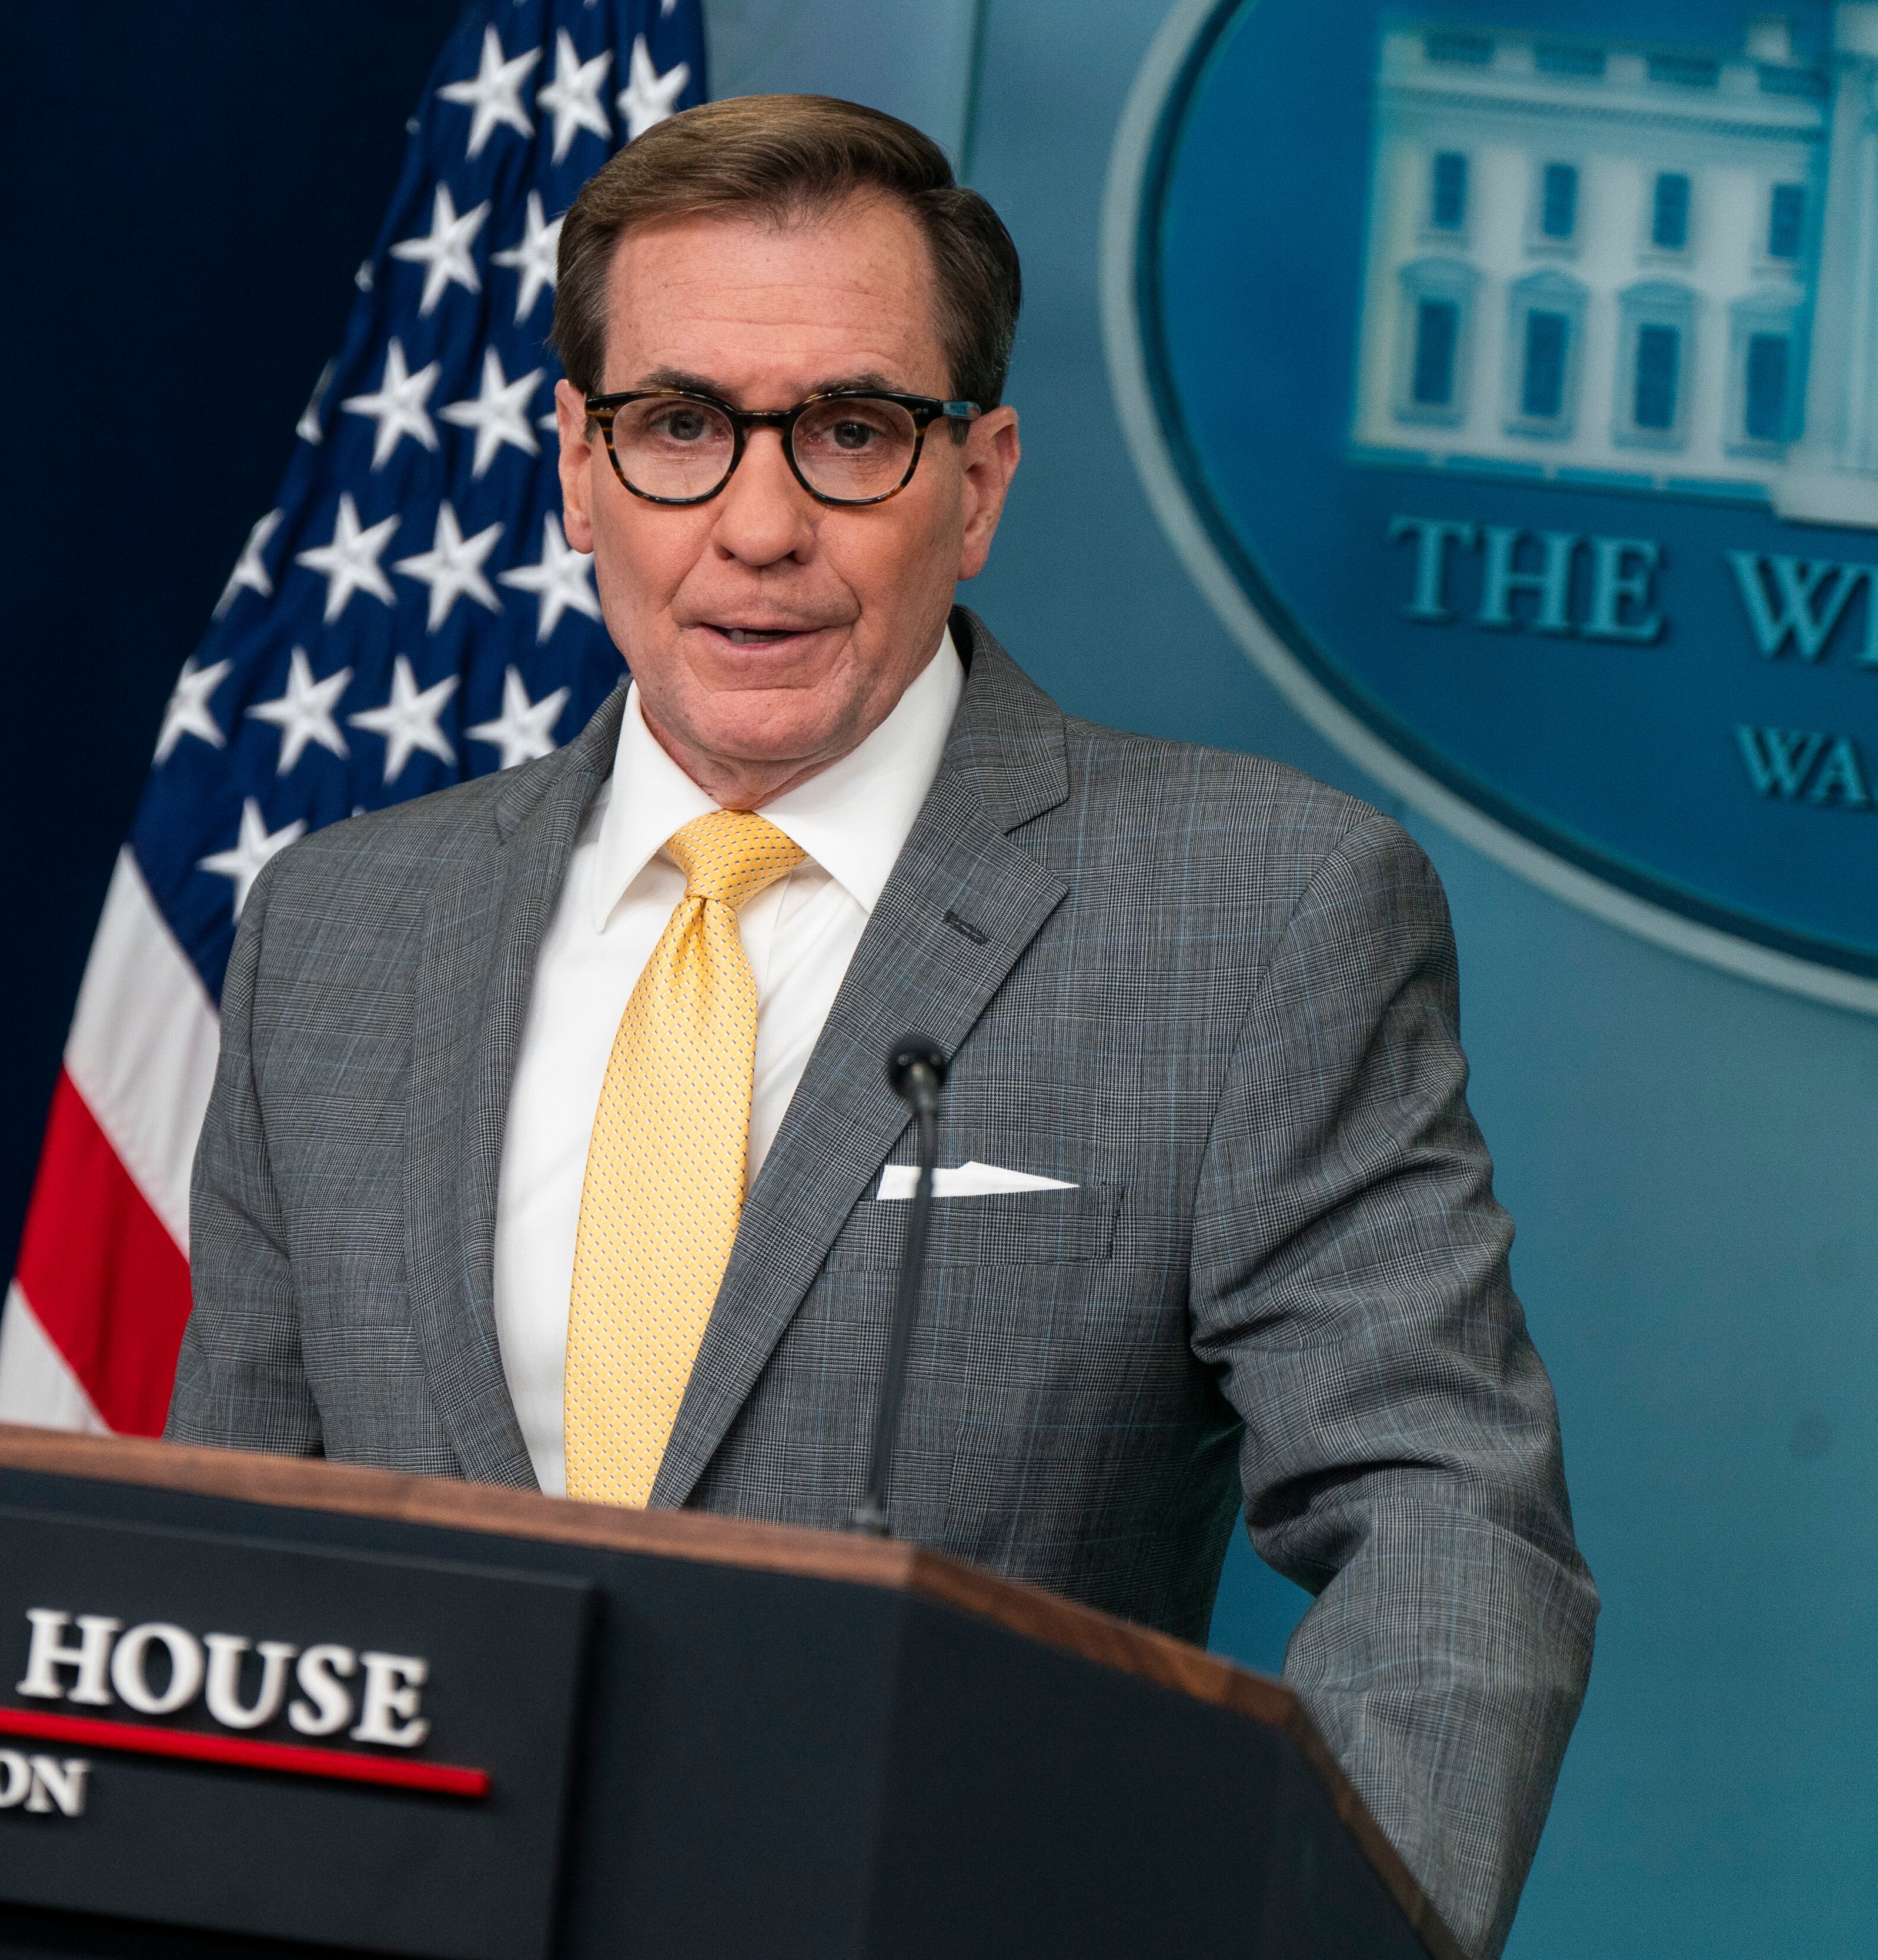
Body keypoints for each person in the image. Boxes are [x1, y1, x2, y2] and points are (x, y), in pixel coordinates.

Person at [165, 94, 1592, 1958]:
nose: (760, 527)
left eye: (852, 432)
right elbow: (236, 1557)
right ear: (578, 469)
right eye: (679, 427)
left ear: (978, 483)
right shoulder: (344, 929)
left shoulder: (1253, 912)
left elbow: (1447, 1525)